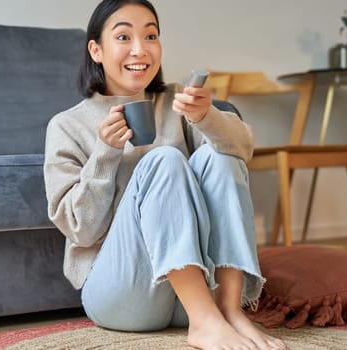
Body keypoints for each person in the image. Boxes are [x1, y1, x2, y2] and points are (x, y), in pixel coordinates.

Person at [44, 1, 286, 349]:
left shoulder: (176, 102)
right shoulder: (66, 125)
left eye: (151, 35)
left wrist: (207, 117)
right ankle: (205, 323)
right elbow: (81, 230)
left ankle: (230, 311)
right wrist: (105, 153)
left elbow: (242, 150)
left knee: (222, 157)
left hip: (195, 293)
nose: (140, 49)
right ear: (96, 50)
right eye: (124, 36)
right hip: (122, 296)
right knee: (165, 159)